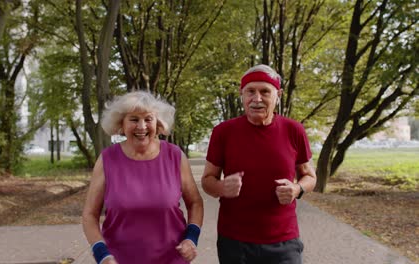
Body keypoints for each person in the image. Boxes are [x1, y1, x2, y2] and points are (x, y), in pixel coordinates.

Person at [201, 64, 317, 264]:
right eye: (250, 92)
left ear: (278, 95)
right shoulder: (223, 132)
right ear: (242, 95)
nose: (257, 99)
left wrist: (297, 189)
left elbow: (310, 176)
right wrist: (221, 187)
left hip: (284, 240)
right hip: (235, 241)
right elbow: (207, 181)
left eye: (265, 91)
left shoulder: (294, 130)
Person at [82, 91, 204, 264]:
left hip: (172, 260)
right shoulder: (107, 159)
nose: (142, 126)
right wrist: (102, 255)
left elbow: (195, 203)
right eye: (134, 119)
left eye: (148, 119)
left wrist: (191, 238)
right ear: (121, 124)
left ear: (158, 123)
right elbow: (89, 215)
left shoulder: (175, 156)